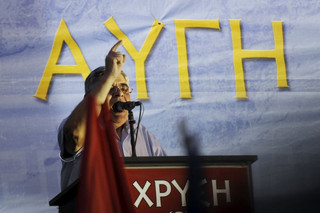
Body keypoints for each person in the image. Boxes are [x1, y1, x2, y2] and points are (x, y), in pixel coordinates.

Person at [58, 41, 166, 190]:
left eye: (124, 88)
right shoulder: (77, 126)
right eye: (110, 88)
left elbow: (167, 177)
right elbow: (74, 135)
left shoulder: (143, 134)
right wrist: (109, 74)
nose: (119, 93)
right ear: (90, 97)